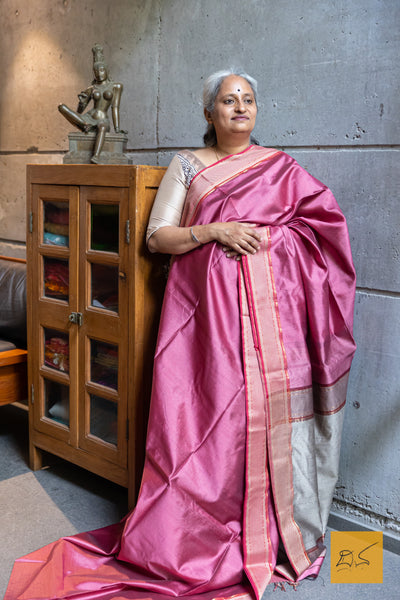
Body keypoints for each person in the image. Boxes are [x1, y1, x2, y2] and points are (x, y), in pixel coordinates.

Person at [6, 69, 356, 600]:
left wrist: (274, 242)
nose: (240, 106)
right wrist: (215, 231)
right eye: (228, 99)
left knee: (266, 426)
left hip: (274, 330)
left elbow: (322, 231)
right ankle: (206, 534)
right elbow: (156, 237)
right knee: (214, 429)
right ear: (208, 113)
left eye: (248, 99)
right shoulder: (189, 167)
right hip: (208, 327)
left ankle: (275, 532)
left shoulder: (280, 168)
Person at [58, 43, 125, 163]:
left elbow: (115, 107)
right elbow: (79, 111)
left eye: (101, 70)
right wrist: (81, 102)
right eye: (96, 71)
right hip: (87, 118)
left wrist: (117, 128)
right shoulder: (91, 88)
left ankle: (96, 156)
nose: (99, 73)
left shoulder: (116, 86)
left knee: (103, 126)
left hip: (102, 119)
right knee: (61, 107)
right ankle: (84, 125)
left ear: (106, 70)